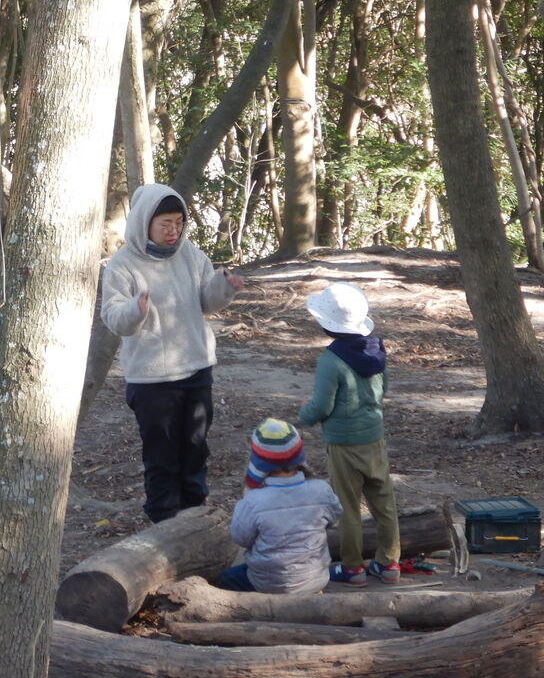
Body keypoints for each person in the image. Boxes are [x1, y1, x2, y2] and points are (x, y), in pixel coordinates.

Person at [100, 183, 244, 523]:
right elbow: (113, 318)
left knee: (195, 447)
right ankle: (163, 521)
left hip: (196, 367)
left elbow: (206, 302)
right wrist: (134, 310)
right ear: (144, 222)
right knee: (161, 455)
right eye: (165, 223)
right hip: (151, 379)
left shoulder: (191, 255)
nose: (173, 231)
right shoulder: (122, 265)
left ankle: (195, 515)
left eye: (179, 223)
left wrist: (224, 287)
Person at [298, 281, 402, 585]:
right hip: (374, 437)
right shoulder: (377, 351)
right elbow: (384, 388)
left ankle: (353, 567)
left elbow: (322, 406)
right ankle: (389, 563)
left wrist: (304, 415)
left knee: (347, 506)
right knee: (383, 501)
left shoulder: (330, 361)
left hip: (343, 443)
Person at [215, 419, 343, 593]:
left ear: (258, 462)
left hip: (269, 583)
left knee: (225, 578)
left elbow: (241, 538)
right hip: (316, 578)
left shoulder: (253, 500)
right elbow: (333, 518)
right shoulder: (322, 489)